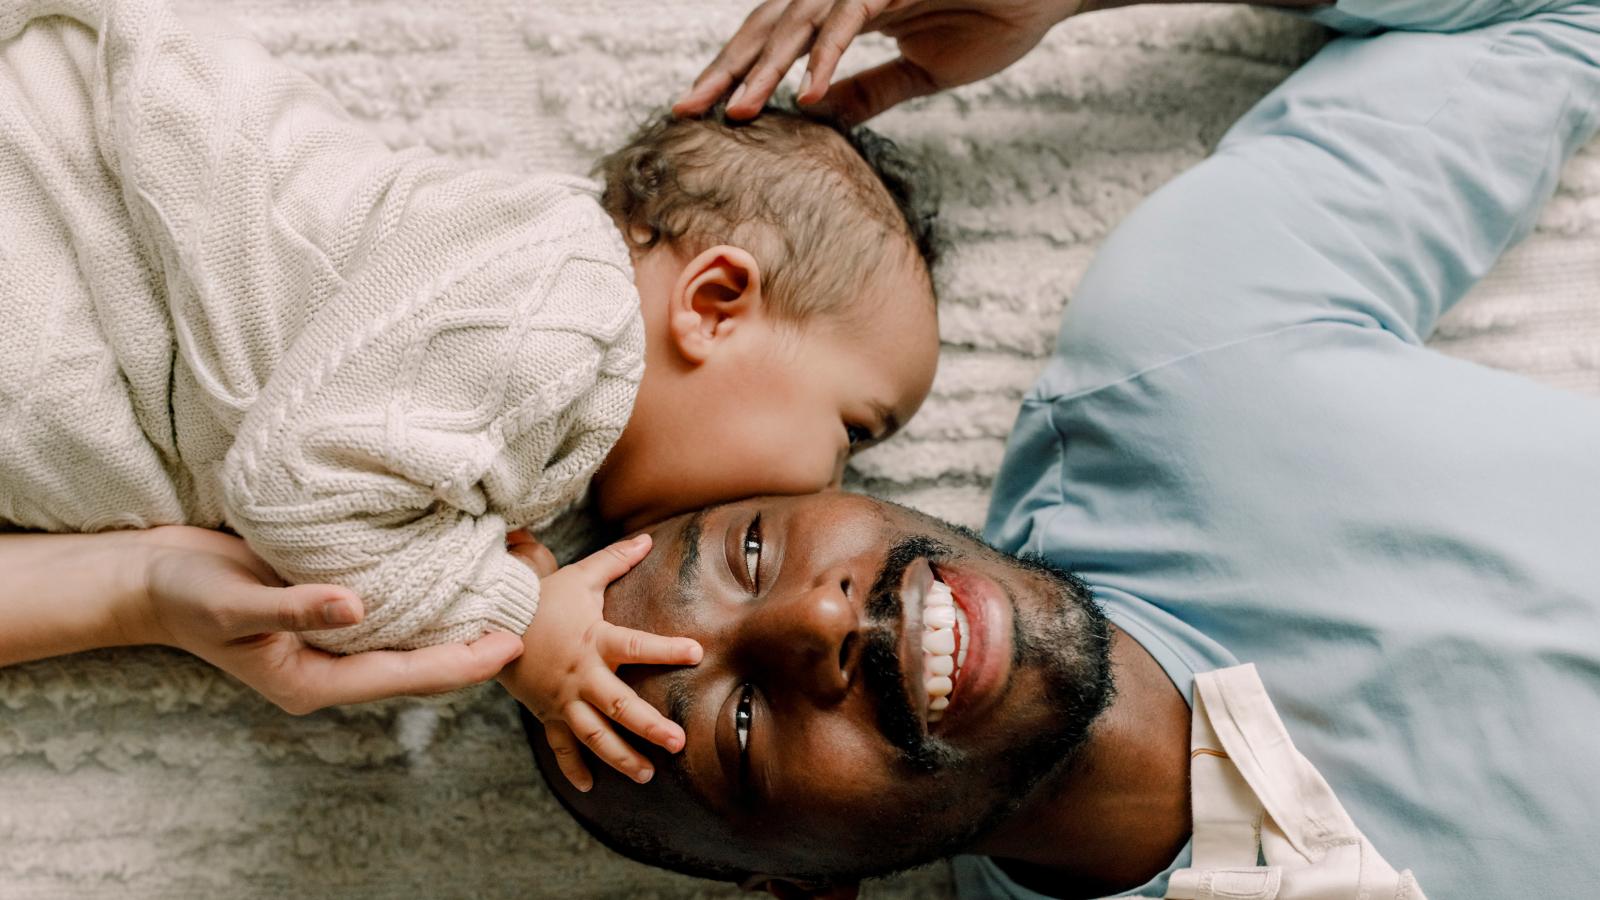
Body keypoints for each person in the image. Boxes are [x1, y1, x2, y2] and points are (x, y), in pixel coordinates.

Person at [514, 0, 1596, 897]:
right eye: (742, 725)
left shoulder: (1188, 351)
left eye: (754, 552)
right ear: (810, 884)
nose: (822, 617)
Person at [0, 0, 941, 788]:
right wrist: (516, 618)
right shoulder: (565, 298)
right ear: (716, 303)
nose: (827, 485)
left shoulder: (551, 426)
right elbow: (301, 490)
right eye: (851, 430)